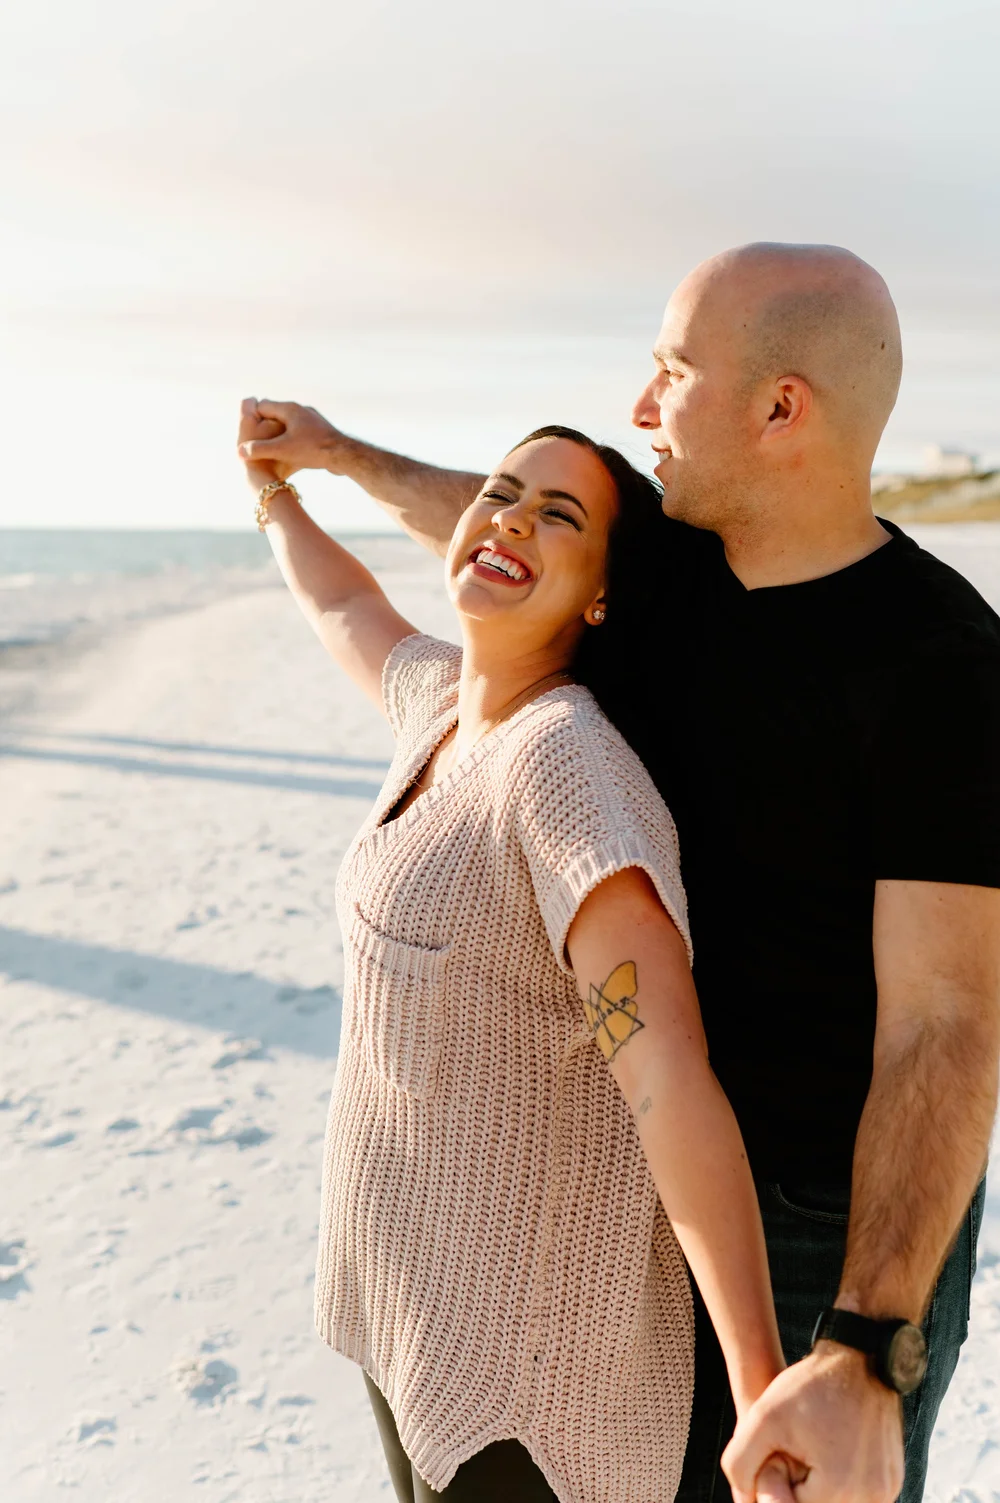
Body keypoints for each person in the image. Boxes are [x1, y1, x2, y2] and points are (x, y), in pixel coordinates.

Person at [237, 242, 1000, 1503]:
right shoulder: (679, 579)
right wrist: (333, 459)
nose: (642, 406)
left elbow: (949, 1016)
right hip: (630, 1197)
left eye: (670, 372)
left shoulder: (943, 665)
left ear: (778, 408)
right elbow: (506, 537)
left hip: (825, 1221)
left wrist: (864, 1344)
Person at [237, 407, 787, 1501]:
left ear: (597, 592)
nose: (510, 521)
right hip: (407, 1302)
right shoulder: (443, 708)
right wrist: (275, 489)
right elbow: (344, 605)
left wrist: (761, 1387)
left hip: (521, 1386)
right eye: (500, 493)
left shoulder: (565, 768)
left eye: (557, 515)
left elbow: (668, 1080)